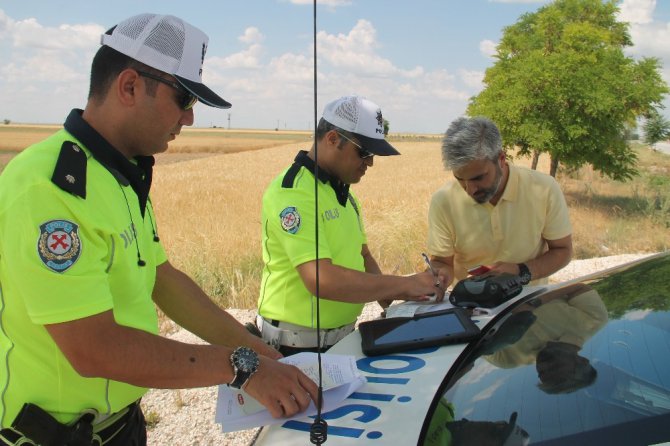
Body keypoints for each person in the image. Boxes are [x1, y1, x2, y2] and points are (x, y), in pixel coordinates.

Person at [0, 13, 317, 445]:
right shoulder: (48, 187)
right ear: (129, 86)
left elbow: (161, 279)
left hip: (121, 425)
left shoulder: (119, 174)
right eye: (185, 99)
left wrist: (266, 354)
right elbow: (93, 347)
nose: (189, 119)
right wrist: (243, 367)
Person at [255, 95, 446, 356]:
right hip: (295, 348)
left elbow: (362, 255)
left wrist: (407, 297)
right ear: (332, 139)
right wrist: (403, 284)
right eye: (365, 152)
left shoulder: (344, 193)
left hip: (342, 341)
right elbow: (321, 280)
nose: (370, 163)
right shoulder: (294, 194)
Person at [427, 116, 573, 287]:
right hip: (471, 307)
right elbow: (442, 263)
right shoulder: (443, 201)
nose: (470, 189)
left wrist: (521, 271)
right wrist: (439, 276)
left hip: (531, 304)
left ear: (501, 159)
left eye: (478, 178)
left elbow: (562, 250)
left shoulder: (544, 189)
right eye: (460, 179)